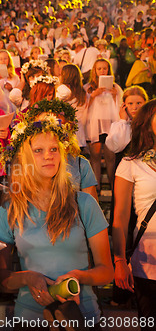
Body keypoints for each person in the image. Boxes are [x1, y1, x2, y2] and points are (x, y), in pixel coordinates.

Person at [0, 112, 113, 330]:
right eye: (38, 151)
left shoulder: (84, 203)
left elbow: (106, 271)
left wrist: (77, 276)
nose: (48, 156)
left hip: (81, 317)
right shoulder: (10, 209)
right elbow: (2, 278)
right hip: (29, 319)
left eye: (53, 149)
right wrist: (27, 277)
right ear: (25, 158)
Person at [112, 99, 156, 329]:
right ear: (148, 124)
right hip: (148, 263)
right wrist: (119, 260)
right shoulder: (131, 164)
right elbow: (119, 217)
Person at [84, 58, 122, 194]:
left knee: (110, 158)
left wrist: (114, 96)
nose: (102, 71)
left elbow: (119, 107)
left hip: (110, 125)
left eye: (104, 68)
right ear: (94, 70)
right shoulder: (88, 87)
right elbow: (84, 108)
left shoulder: (115, 87)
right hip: (94, 126)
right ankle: (97, 188)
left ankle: (113, 187)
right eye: (99, 68)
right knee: (95, 158)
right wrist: (93, 96)